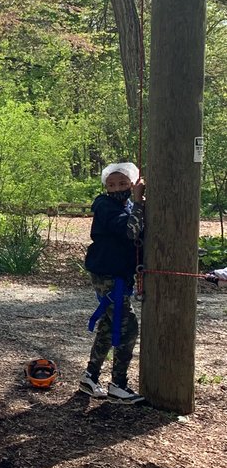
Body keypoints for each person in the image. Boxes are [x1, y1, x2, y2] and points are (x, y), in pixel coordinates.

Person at [79, 161, 145, 404]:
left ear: (132, 183)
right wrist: (139, 202)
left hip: (117, 274)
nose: (117, 188)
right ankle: (118, 384)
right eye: (112, 184)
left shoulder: (127, 206)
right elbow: (131, 231)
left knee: (109, 326)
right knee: (128, 327)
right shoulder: (106, 206)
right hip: (107, 273)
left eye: (122, 183)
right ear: (105, 187)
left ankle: (90, 377)